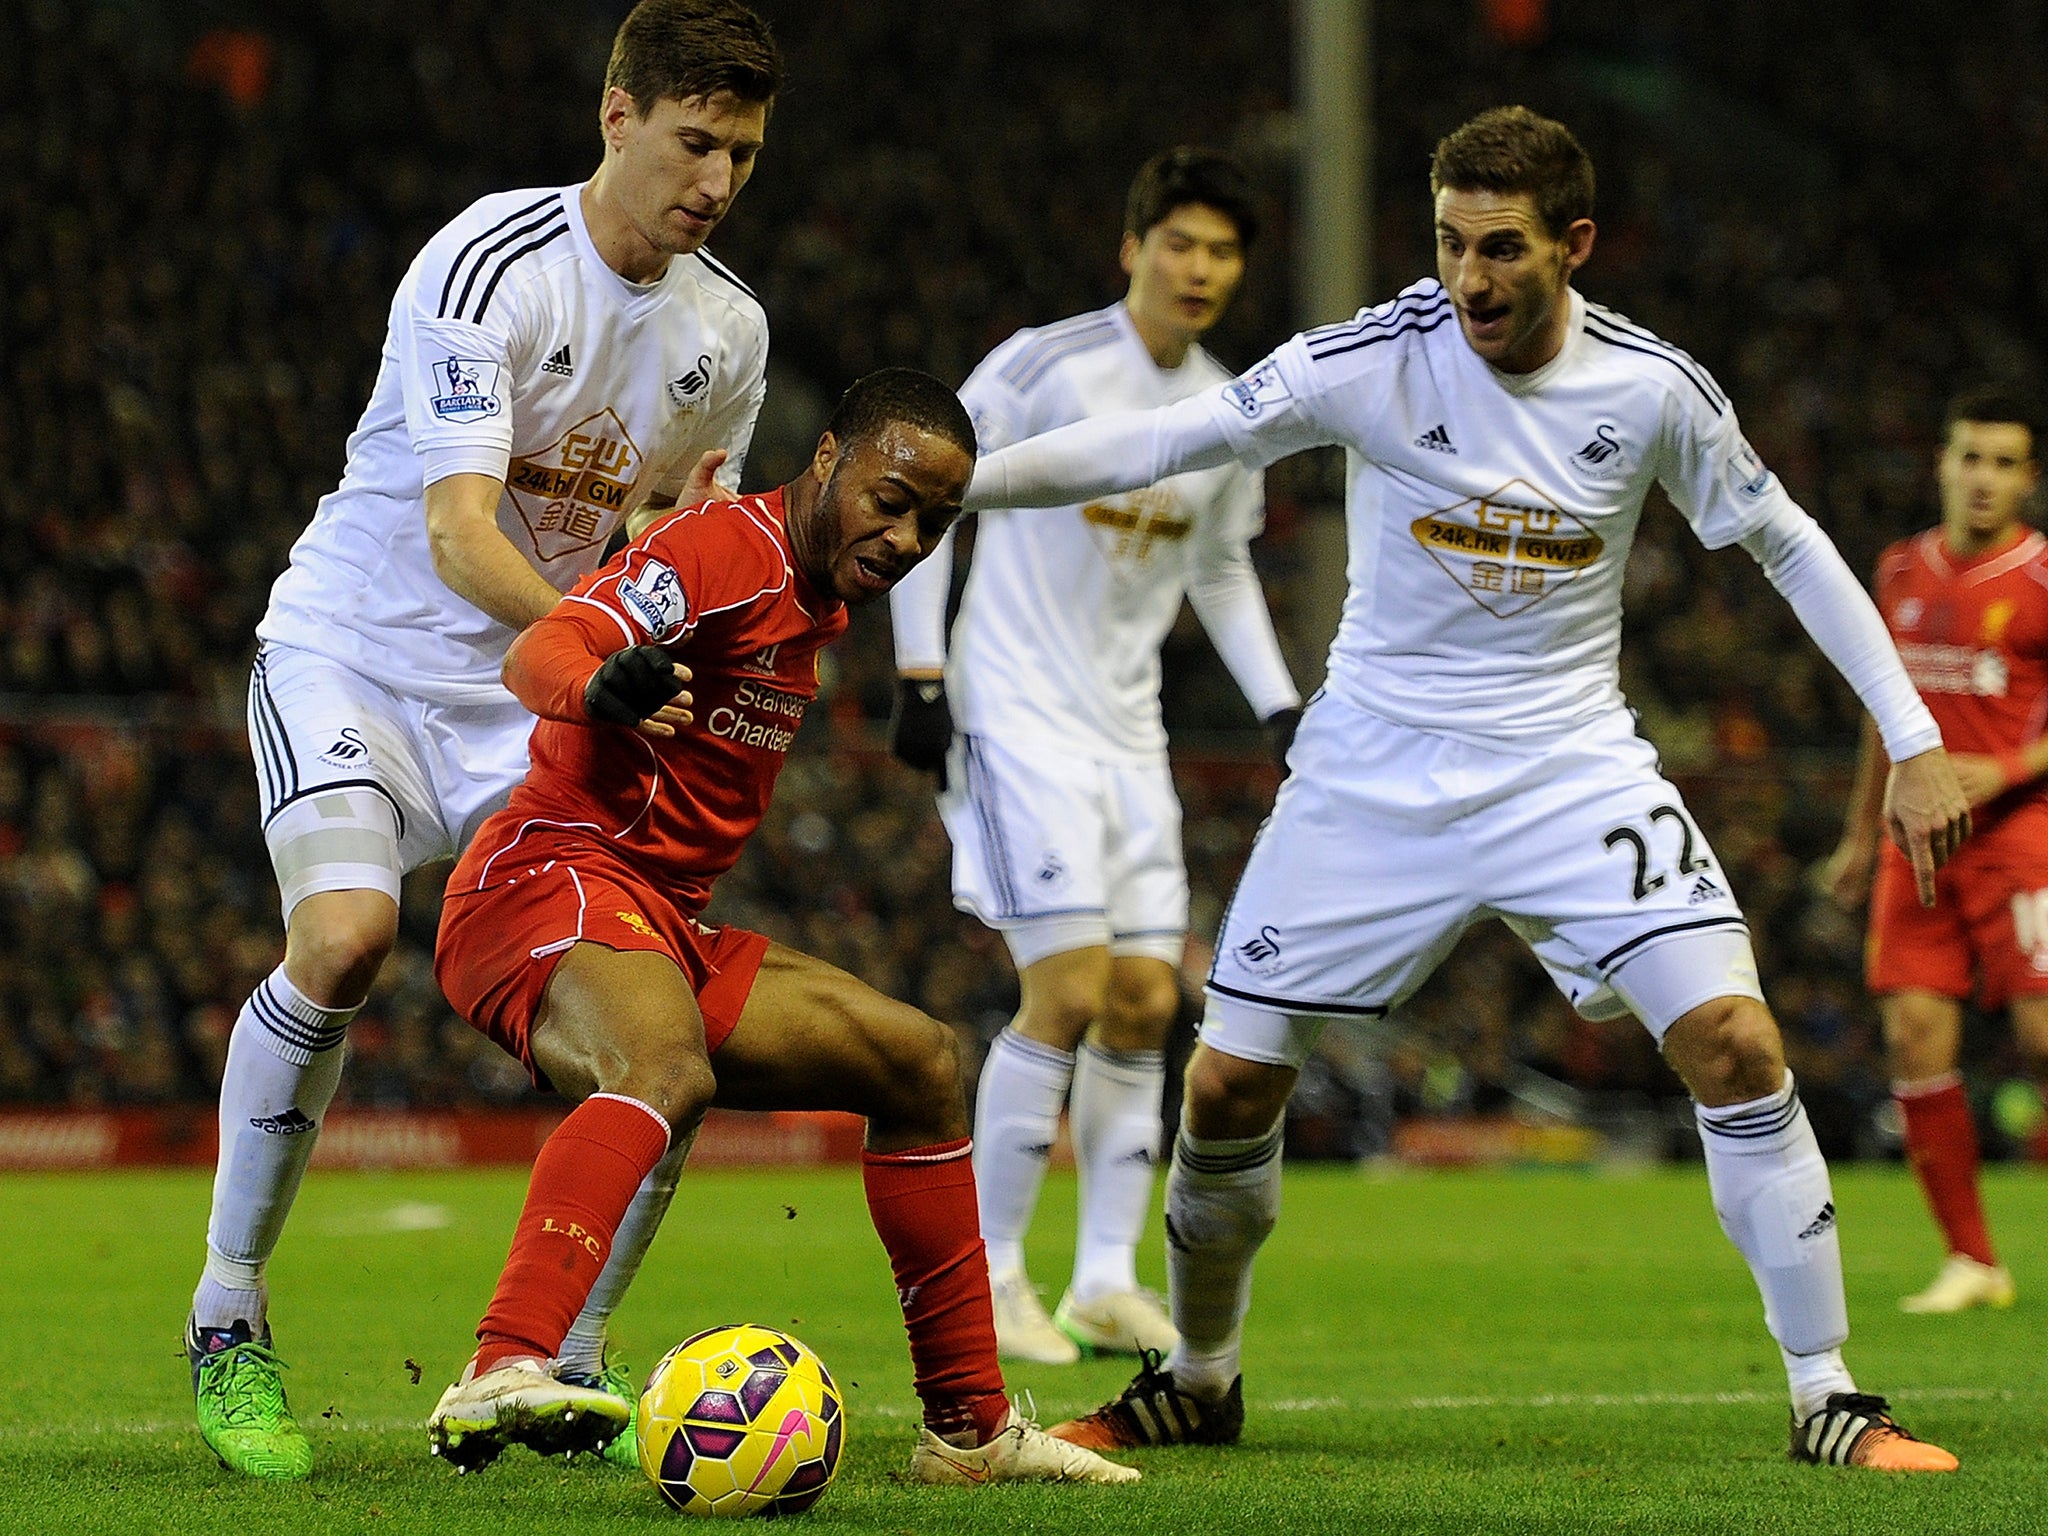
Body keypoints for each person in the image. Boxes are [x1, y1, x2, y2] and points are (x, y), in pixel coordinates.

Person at [953, 106, 1971, 1473]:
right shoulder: (1372, 359)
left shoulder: (1651, 388)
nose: (1469, 279)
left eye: (1501, 249)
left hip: (1570, 772)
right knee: (1227, 1091)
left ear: (1577, 246)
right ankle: (1199, 1377)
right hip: (1369, 776)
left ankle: (1828, 1393)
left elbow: (1786, 545)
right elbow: (1158, 447)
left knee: (1736, 1044)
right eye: (1448, 243)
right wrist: (951, 484)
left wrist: (1909, 736)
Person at [189, 0, 781, 1479]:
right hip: (363, 662)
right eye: (694, 141)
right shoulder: (488, 264)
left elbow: (676, 540)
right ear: (616, 116)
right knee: (339, 941)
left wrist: (666, 616)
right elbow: (460, 535)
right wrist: (610, 650)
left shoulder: (731, 334)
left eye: (745, 154)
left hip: (543, 701)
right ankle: (226, 1313)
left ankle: (567, 1361)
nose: (714, 180)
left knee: (660, 1029)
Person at [422, 369, 1136, 1488]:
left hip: (660, 919)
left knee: (916, 1061)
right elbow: (540, 651)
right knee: (662, 1065)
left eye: (934, 523)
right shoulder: (721, 552)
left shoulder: (810, 592)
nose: (905, 538)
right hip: (546, 876)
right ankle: (506, 1364)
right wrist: (600, 684)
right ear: (827, 464)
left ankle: (968, 1432)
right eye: (890, 499)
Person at [886, 148, 1301, 1365]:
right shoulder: (1038, 364)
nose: (1199, 268)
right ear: (1132, 249)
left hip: (1130, 734)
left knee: (1145, 999)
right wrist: (920, 675)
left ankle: (1103, 1278)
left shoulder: (1231, 404)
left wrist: (1278, 707)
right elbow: (926, 494)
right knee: (1062, 990)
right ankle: (996, 1275)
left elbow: (1217, 568)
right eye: (1178, 243)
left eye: (1221, 252)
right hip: (1011, 713)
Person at [1824, 386, 2046, 1314]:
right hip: (1912, 847)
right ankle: (1972, 1260)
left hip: (2021, 842)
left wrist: (2003, 771)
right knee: (1914, 1037)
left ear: (2029, 479)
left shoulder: (2040, 578)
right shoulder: (1900, 570)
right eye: (1969, 457)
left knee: (2041, 1037)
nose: (1983, 478)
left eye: (2003, 462)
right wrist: (1853, 831)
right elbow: (1885, 712)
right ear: (1942, 465)